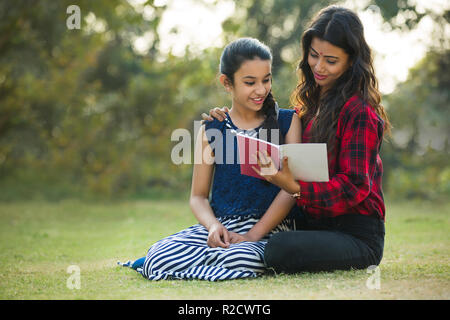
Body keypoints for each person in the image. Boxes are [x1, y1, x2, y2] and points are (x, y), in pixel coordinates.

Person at [202, 5, 390, 273]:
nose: (319, 66)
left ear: (352, 61)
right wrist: (228, 115)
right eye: (314, 55)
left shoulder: (359, 112)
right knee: (274, 241)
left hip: (355, 233)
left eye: (331, 61)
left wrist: (294, 187)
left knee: (279, 248)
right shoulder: (311, 104)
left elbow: (353, 188)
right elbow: (267, 112)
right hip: (313, 224)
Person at [118, 37, 303, 280]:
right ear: (227, 83)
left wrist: (252, 235)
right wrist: (214, 226)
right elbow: (197, 196)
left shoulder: (288, 121)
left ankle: (210, 263)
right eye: (250, 82)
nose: (261, 90)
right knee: (157, 255)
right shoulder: (212, 129)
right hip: (221, 225)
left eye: (266, 80)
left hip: (270, 228)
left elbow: (292, 190)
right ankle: (214, 262)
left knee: (243, 256)